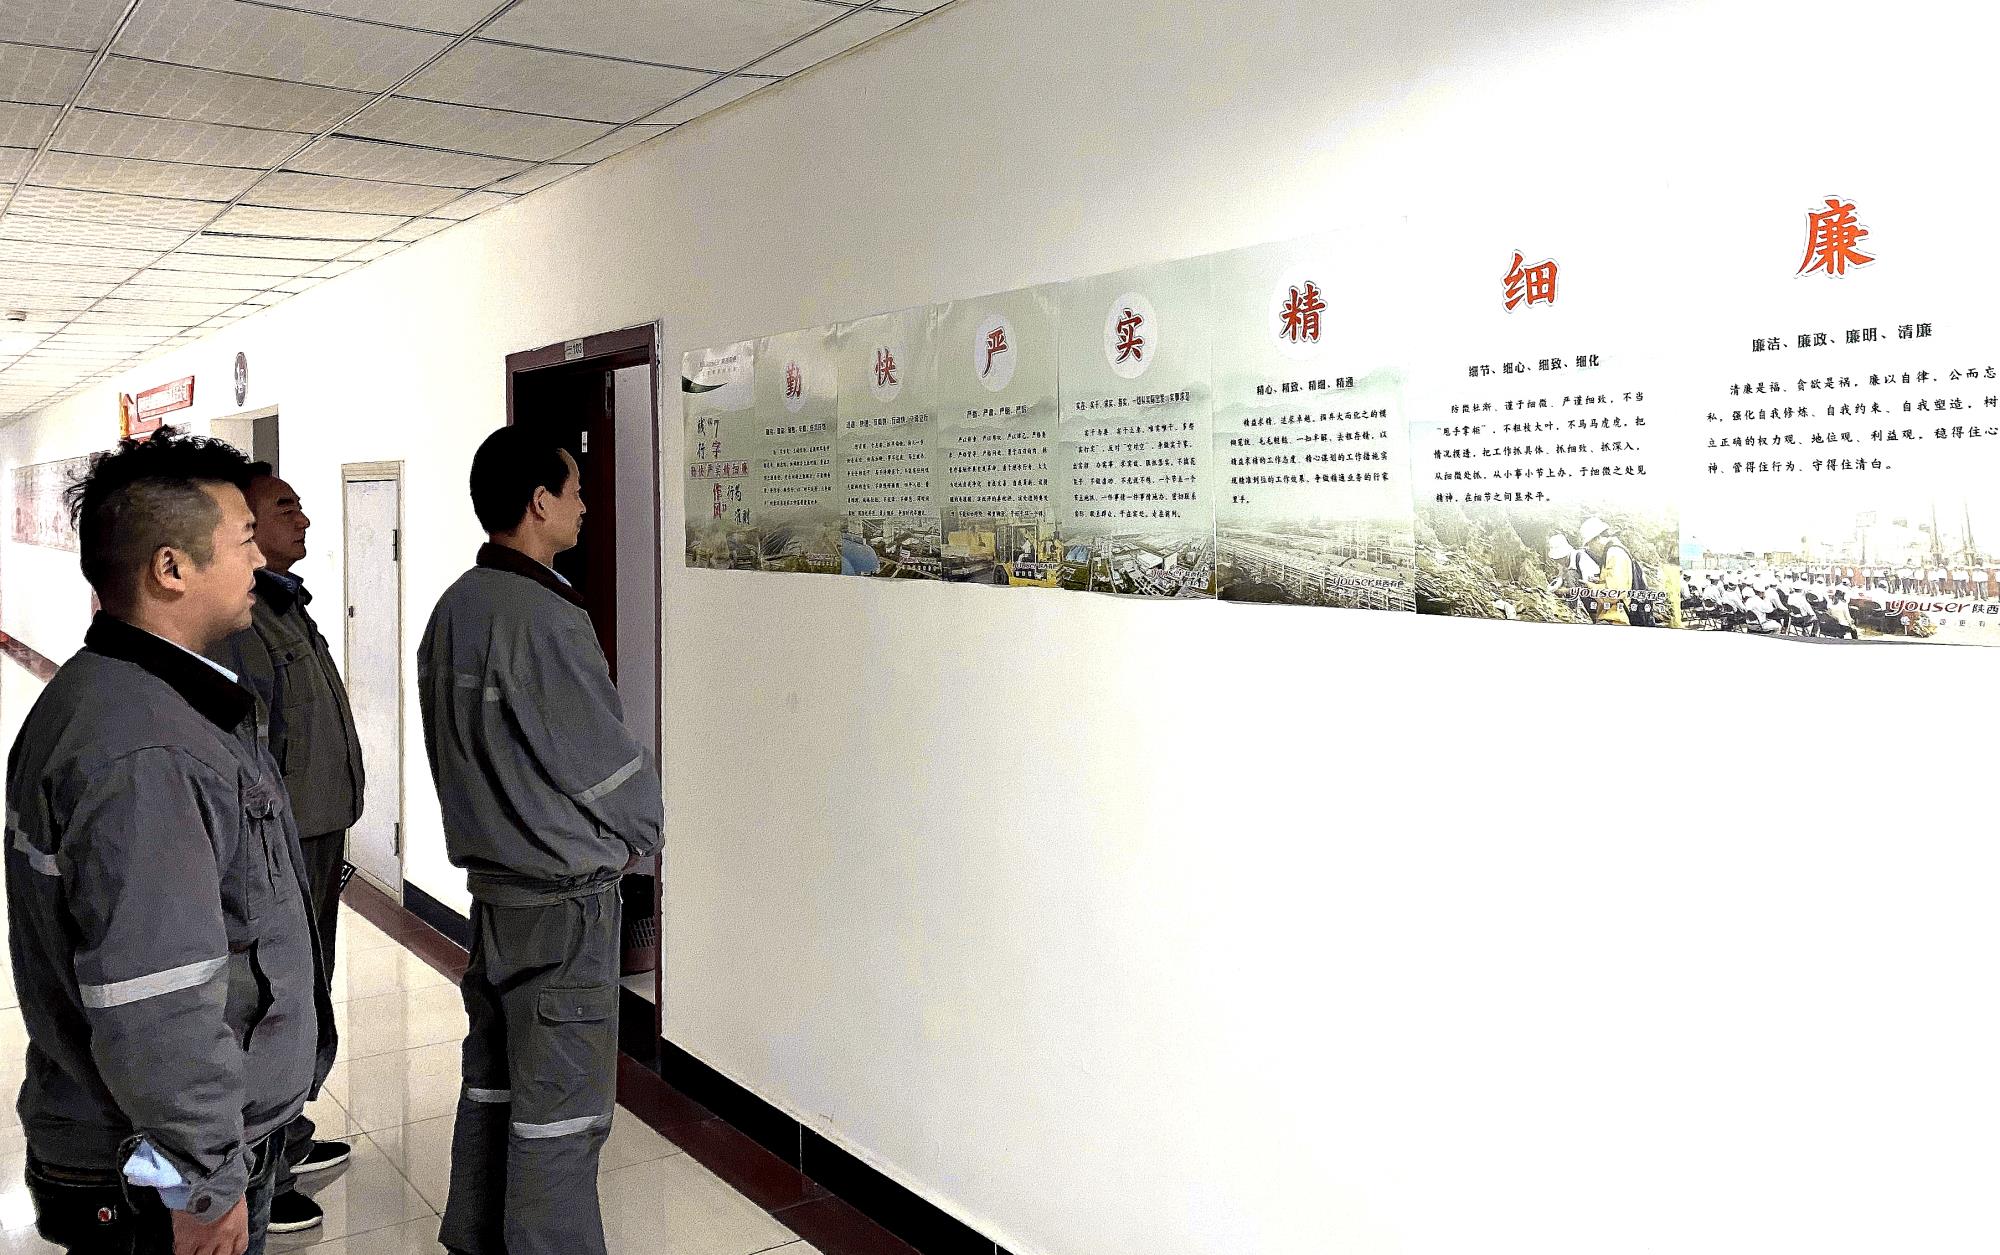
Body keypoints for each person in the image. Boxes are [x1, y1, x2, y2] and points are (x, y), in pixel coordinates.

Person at [4, 429, 335, 1255]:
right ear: (171, 568)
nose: (258, 561)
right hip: (155, 1171)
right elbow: (157, 994)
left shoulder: (144, 699)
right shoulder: (144, 748)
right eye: (244, 540)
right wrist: (205, 1181)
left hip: (163, 1147)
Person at [419, 427, 664, 1255]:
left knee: (493, 1091)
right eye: (575, 489)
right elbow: (604, 767)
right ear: (538, 503)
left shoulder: (454, 607)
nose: (585, 504)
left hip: (494, 901)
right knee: (561, 1118)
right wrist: (648, 829)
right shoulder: (547, 619)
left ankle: (476, 1241)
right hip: (563, 911)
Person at [209, 465, 365, 1234]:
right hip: (280, 848)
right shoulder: (245, 627)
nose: (303, 519)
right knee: (274, 1002)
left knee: (307, 991)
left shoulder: (285, 607)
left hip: (316, 834)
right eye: (284, 508)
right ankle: (261, 1172)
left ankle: (288, 1138)